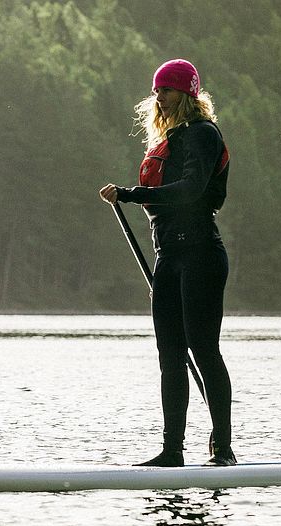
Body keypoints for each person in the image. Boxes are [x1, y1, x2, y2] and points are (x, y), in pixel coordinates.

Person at [99, 59, 236, 467]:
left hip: (201, 256)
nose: (159, 97)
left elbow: (192, 190)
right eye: (157, 90)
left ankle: (223, 450)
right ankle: (171, 452)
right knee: (170, 355)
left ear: (188, 95)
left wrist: (130, 193)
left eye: (168, 91)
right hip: (169, 257)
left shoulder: (203, 135)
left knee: (204, 349)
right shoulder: (171, 138)